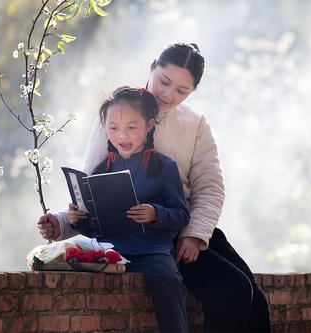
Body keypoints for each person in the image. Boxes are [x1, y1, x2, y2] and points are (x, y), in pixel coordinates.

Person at [38, 43, 271, 332]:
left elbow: (209, 187)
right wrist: (62, 222)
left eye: (181, 91)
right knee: (232, 291)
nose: (168, 94)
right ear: (152, 68)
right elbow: (92, 190)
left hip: (185, 227)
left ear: (192, 92)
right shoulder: (118, 115)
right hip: (149, 237)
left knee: (256, 301)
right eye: (164, 81)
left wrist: (195, 235)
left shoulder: (195, 124)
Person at [68, 86, 190, 333]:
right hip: (109, 250)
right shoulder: (100, 170)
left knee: (169, 281)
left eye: (131, 127)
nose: (121, 135)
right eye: (113, 128)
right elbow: (95, 226)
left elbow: (181, 215)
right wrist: (78, 219)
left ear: (149, 126)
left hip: (151, 253)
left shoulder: (165, 167)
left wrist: (155, 213)